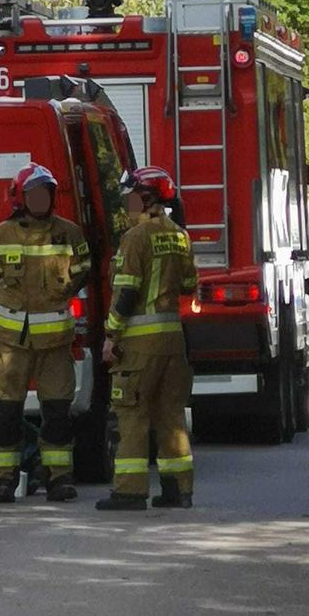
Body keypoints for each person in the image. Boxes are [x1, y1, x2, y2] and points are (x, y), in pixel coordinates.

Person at [0, 162, 91, 503]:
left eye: (46, 194)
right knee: (7, 414)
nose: (41, 200)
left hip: (56, 344)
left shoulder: (68, 232)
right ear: (21, 198)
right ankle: (3, 480)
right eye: (35, 195)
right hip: (14, 344)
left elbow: (83, 270)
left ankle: (58, 480)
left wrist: (61, 292)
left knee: (57, 413)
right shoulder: (1, 234)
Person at [96, 166, 198, 511]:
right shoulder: (180, 236)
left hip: (139, 344)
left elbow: (126, 293)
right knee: (171, 415)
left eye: (133, 197)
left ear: (149, 198)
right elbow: (188, 286)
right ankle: (178, 490)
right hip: (173, 343)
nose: (128, 204)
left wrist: (111, 334)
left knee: (132, 413)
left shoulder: (135, 237)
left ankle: (130, 490)